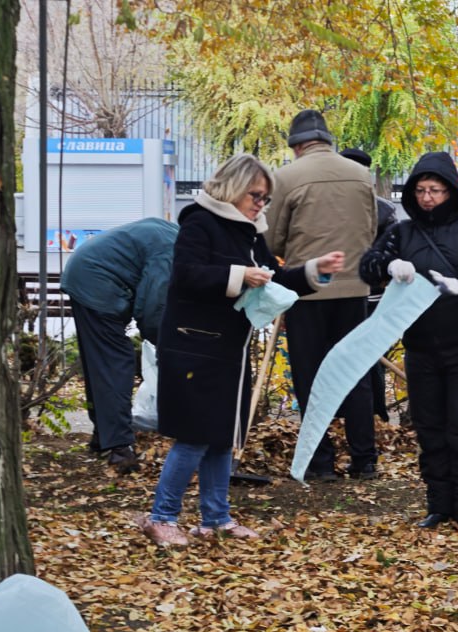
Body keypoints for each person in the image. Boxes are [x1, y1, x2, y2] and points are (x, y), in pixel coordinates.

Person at [140, 154, 343, 547]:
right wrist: (239, 276)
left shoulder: (249, 233)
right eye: (256, 195)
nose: (260, 204)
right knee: (195, 435)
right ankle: (161, 516)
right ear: (232, 187)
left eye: (265, 198)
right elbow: (185, 275)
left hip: (227, 348)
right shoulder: (200, 222)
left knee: (221, 435)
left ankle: (215, 518)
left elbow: (276, 277)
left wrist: (315, 270)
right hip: (194, 344)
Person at [358, 152, 458, 534]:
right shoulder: (402, 233)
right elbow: (368, 266)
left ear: (451, 191)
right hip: (422, 345)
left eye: (435, 190)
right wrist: (389, 267)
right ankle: (438, 505)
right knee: (430, 427)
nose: (427, 198)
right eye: (421, 190)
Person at [266, 110, 380, 482]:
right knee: (355, 373)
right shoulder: (362, 174)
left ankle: (321, 460)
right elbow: (371, 227)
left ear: (297, 146)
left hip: (308, 288)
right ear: (327, 140)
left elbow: (272, 238)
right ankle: (365, 459)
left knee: (310, 375)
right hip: (355, 288)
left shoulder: (286, 177)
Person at [61, 217, 177, 473]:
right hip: (95, 282)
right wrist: (161, 342)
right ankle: (120, 449)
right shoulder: (172, 247)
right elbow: (154, 305)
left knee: (100, 364)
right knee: (115, 363)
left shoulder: (171, 234)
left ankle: (103, 436)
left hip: (85, 274)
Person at [340, 147, 399, 422]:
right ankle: (348, 417)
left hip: (371, 297)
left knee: (369, 360)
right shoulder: (326, 206)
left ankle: (375, 416)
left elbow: (389, 255)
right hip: (335, 295)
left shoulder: (383, 212)